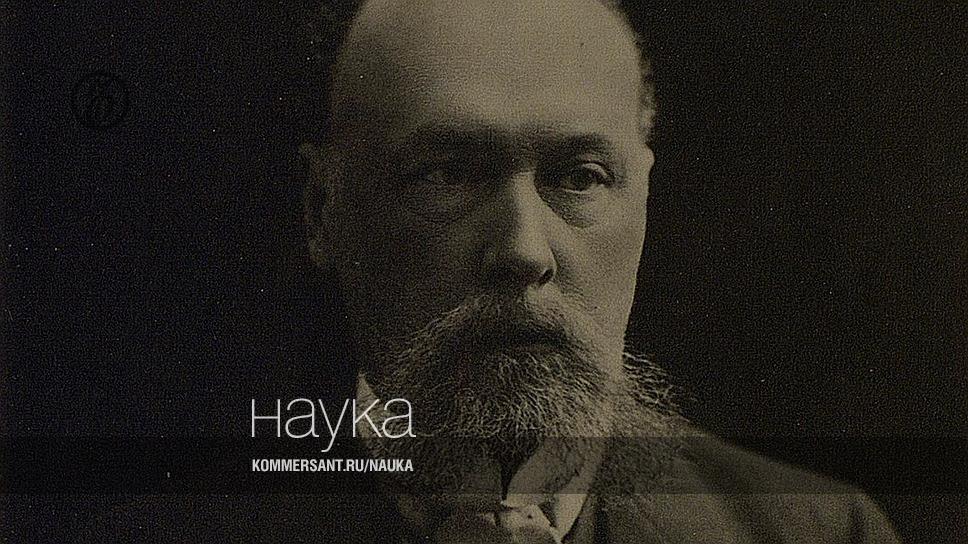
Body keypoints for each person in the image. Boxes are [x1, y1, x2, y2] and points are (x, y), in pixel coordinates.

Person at [298, 0, 902, 542]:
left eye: (581, 177)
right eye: (446, 175)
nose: (525, 253)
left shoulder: (820, 532)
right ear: (322, 209)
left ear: (643, 199)